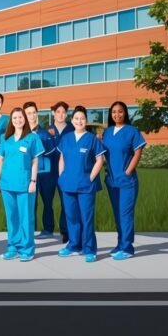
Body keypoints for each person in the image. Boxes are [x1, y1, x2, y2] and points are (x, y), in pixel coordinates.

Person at [56, 106, 105, 263]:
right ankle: (74, 245)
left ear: (86, 121)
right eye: (76, 118)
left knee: (86, 218)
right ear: (72, 120)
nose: (79, 121)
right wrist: (61, 177)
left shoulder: (91, 139)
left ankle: (89, 249)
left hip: (85, 186)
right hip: (68, 184)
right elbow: (62, 158)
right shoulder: (67, 138)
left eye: (82, 118)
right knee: (71, 217)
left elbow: (100, 159)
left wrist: (91, 177)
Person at [0, 108, 43, 261]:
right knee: (12, 217)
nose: (17, 120)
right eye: (14, 117)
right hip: (7, 184)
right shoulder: (5, 138)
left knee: (26, 217)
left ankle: (27, 249)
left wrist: (33, 181)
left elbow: (35, 161)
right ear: (11, 120)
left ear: (25, 119)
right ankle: (13, 247)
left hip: (25, 184)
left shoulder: (32, 138)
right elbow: (0, 160)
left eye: (20, 117)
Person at [102, 101, 145, 260]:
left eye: (120, 112)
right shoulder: (107, 132)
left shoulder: (132, 131)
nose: (117, 115)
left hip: (127, 181)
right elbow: (105, 155)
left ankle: (127, 248)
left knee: (125, 213)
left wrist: (127, 172)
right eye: (114, 112)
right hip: (112, 181)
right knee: (117, 214)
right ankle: (120, 243)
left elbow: (137, 152)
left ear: (125, 113)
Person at [23, 102, 57, 241]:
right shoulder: (22, 135)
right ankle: (31, 229)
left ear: (37, 113)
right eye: (28, 113)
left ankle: (48, 229)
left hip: (46, 174)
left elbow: (51, 152)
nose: (32, 115)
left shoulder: (45, 134)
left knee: (47, 202)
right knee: (31, 203)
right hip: (28, 175)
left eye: (33, 112)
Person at [45, 101, 74, 242]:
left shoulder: (72, 129)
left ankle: (65, 230)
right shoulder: (47, 130)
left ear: (66, 114)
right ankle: (48, 229)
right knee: (47, 201)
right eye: (58, 112)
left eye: (63, 112)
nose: (61, 115)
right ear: (53, 113)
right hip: (49, 172)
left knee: (65, 201)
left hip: (67, 171)